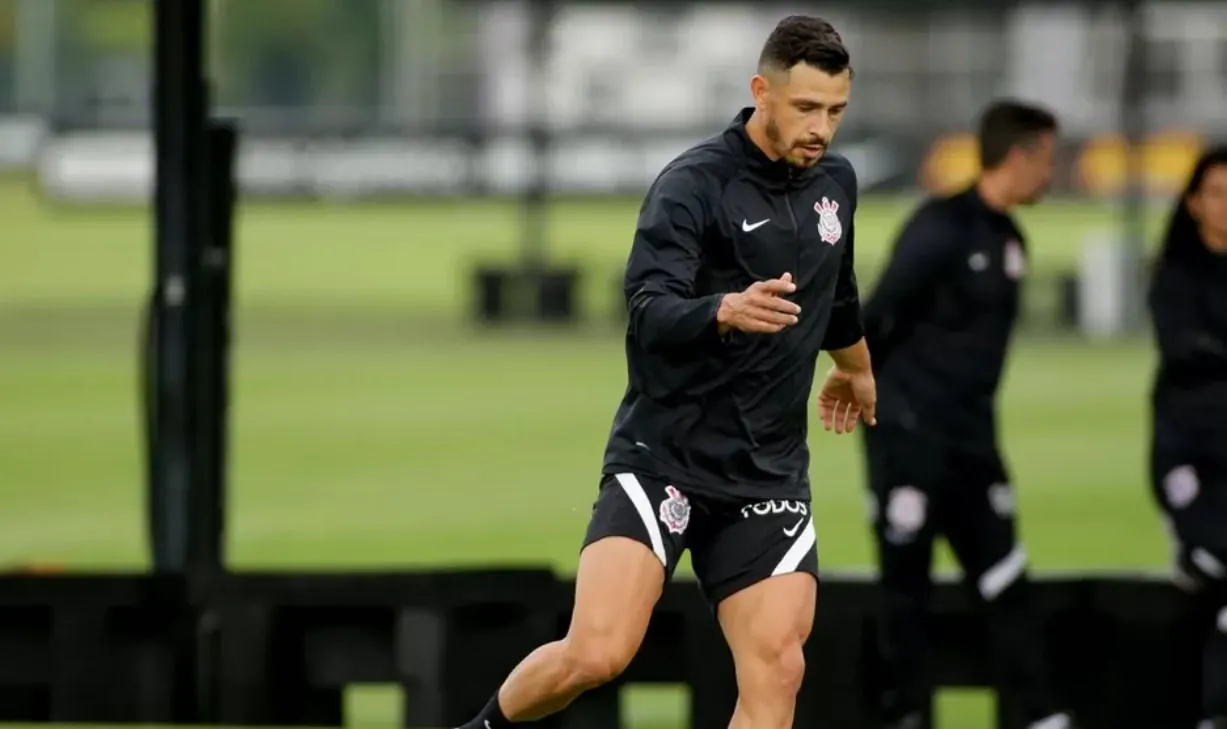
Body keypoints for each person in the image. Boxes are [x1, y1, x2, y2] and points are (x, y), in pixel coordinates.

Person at [458, 15, 877, 729]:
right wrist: (722, 310)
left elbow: (833, 289)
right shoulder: (692, 184)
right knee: (596, 653)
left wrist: (855, 369)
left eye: (835, 111)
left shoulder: (834, 182)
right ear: (760, 92)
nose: (821, 129)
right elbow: (647, 307)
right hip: (665, 460)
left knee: (778, 666)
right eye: (806, 108)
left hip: (766, 476)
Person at [859, 101, 1075, 729]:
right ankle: (905, 716)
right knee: (907, 590)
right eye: (1048, 160)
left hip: (973, 445)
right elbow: (877, 318)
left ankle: (1039, 715)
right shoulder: (939, 227)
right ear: (1021, 156)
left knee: (1006, 577)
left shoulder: (1011, 240)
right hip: (909, 442)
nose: (1052, 174)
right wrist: (889, 412)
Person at [1147, 146, 1227, 729]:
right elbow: (1188, 353)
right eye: (1218, 193)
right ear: (1195, 202)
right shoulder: (1175, 275)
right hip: (1191, 461)